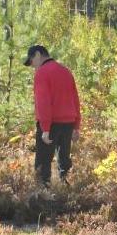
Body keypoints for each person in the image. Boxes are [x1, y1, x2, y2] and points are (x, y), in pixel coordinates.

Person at [24, 45, 81, 187]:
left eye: (31, 61)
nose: (32, 66)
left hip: (51, 124)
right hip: (68, 123)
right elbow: (75, 99)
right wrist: (76, 126)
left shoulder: (42, 73)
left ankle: (44, 197)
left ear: (37, 54)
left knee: (43, 164)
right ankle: (67, 192)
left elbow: (43, 102)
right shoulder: (66, 71)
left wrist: (45, 129)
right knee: (64, 162)